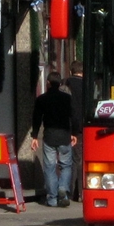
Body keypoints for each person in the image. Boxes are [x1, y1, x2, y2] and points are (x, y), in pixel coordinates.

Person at [30, 71, 79, 207]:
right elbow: (74, 117)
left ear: (48, 83)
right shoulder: (67, 98)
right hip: (64, 136)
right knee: (66, 165)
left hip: (49, 137)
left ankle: (52, 199)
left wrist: (34, 136)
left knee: (50, 167)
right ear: (59, 83)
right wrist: (74, 133)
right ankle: (63, 188)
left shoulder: (41, 99)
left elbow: (36, 119)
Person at [64, 61, 83, 202]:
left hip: (69, 127)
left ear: (71, 71)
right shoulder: (89, 84)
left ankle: (70, 192)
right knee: (81, 159)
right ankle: (81, 192)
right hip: (84, 126)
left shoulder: (66, 85)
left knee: (72, 161)